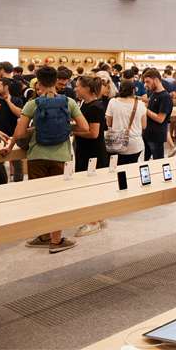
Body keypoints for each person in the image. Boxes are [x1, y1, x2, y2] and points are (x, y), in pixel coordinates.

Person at [0, 65, 89, 254]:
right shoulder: (68, 102)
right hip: (61, 157)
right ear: (56, 82)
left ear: (38, 83)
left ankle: (44, 235)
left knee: (40, 198)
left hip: (36, 156)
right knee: (58, 199)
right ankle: (56, 241)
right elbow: (84, 127)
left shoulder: (33, 103)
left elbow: (19, 132)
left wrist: (36, 130)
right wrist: (66, 127)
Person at [72, 75, 111, 236]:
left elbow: (93, 133)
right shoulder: (86, 104)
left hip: (93, 152)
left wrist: (72, 130)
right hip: (86, 151)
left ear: (86, 88)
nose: (74, 89)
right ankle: (99, 217)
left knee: (91, 186)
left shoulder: (95, 107)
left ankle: (93, 221)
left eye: (77, 86)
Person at [0, 78, 25, 181]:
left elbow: (19, 114)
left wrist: (8, 102)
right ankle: (3, 183)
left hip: (14, 136)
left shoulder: (17, 100)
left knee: (18, 164)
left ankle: (19, 184)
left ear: (6, 87)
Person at [106, 80, 147, 165]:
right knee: (133, 170)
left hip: (116, 143)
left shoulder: (113, 102)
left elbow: (108, 123)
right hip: (135, 144)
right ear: (133, 90)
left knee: (118, 170)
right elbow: (144, 126)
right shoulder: (140, 104)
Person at [141, 69, 173, 160]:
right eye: (145, 82)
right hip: (147, 134)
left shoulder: (165, 97)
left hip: (156, 136)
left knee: (158, 163)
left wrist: (145, 109)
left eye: (148, 82)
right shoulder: (153, 93)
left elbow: (160, 119)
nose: (146, 85)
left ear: (156, 80)